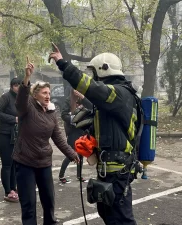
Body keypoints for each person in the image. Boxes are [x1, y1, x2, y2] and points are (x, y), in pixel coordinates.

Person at [49, 45, 140, 225]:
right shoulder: (112, 99)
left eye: (94, 73)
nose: (93, 77)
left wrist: (63, 63)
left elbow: (90, 87)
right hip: (108, 170)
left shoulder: (119, 93)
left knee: (121, 219)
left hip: (117, 171)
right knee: (107, 213)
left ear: (102, 70)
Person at [12, 58, 79, 225]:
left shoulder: (51, 113)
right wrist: (27, 78)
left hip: (44, 162)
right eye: (44, 93)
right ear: (35, 95)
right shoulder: (27, 107)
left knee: (49, 198)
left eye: (49, 93)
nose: (48, 96)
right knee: (28, 203)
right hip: (25, 161)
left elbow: (57, 137)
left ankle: (50, 222)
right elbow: (20, 100)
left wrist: (72, 154)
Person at [0, 78, 21, 203]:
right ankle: (7, 191)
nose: (18, 87)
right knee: (7, 164)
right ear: (11, 86)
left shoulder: (21, 98)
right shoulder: (6, 97)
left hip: (16, 136)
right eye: (16, 85)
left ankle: (13, 188)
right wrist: (13, 119)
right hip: (4, 135)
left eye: (20, 85)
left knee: (15, 164)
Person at [59, 88, 92, 184]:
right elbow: (63, 115)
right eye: (76, 90)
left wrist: (83, 98)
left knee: (81, 154)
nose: (78, 92)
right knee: (71, 154)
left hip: (83, 130)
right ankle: (61, 175)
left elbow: (91, 107)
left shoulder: (84, 99)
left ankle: (79, 175)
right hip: (73, 131)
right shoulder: (69, 100)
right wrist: (74, 119)